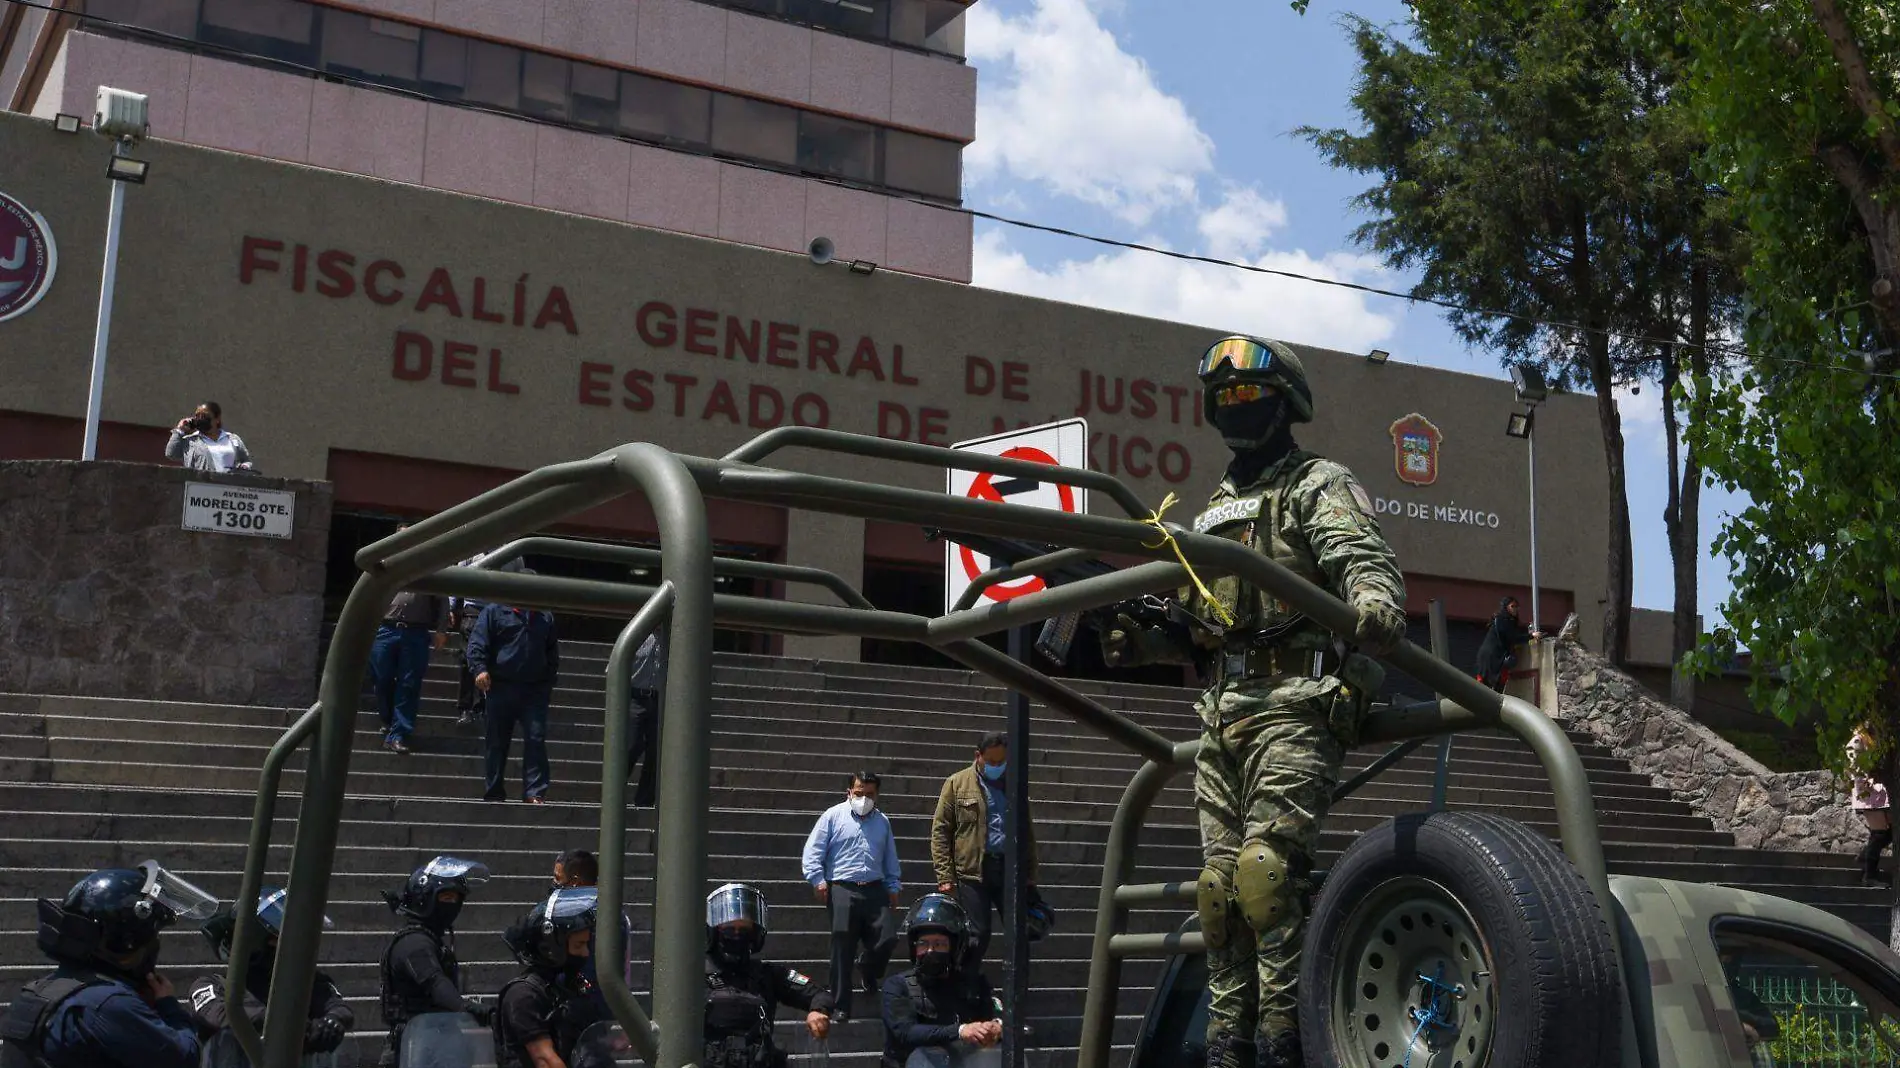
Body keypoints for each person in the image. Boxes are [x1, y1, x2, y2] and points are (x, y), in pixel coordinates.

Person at [1101, 335, 1407, 1068]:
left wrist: (1373, 602)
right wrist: (1136, 641)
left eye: (1251, 397)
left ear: (1286, 404)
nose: (1237, 410)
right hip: (1223, 706)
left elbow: (1363, 561)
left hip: (1295, 699)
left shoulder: (1315, 483)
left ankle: (1284, 1044)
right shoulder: (1214, 510)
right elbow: (1202, 626)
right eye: (1225, 399)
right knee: (1220, 896)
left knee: (1266, 879)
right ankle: (1226, 1046)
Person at [0, 861, 216, 1068]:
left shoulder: (41, 990)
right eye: (152, 938)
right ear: (128, 941)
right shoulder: (108, 1004)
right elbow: (185, 1058)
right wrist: (168, 1005)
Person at [187, 886, 353, 1057]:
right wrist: (300, 1029)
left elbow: (337, 1006)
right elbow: (225, 1015)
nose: (287, 949)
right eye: (275, 940)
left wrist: (331, 1023)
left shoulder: (302, 982)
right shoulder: (211, 985)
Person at [930, 732, 1038, 966]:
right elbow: (941, 831)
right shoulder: (957, 783)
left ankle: (1018, 991)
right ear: (978, 756)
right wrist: (945, 876)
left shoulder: (1015, 785)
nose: (997, 767)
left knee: (1020, 933)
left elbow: (1026, 831)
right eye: (991, 762)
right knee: (977, 935)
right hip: (972, 871)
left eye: (1002, 762)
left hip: (1010, 869)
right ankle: (966, 985)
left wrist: (1030, 873)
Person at [803, 771, 903, 1023]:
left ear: (877, 795)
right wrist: (818, 879)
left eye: (869, 794)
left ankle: (868, 968)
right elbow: (813, 850)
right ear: (849, 792)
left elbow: (890, 856)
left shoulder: (882, 822)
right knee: (842, 946)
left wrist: (893, 885)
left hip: (874, 887)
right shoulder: (833, 816)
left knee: (888, 938)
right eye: (859, 793)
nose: (864, 798)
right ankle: (840, 1004)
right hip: (842, 888)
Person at [377, 856, 493, 1067]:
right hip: (413, 1047)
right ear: (424, 897)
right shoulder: (413, 943)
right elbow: (435, 982)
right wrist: (467, 1007)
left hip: (437, 1041)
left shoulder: (431, 939)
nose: (454, 904)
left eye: (457, 898)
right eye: (447, 897)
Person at [702, 883, 833, 1068]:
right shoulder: (693, 975)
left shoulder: (767, 974)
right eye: (730, 929)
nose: (737, 936)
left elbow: (820, 995)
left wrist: (818, 1011)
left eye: (745, 930)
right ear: (714, 932)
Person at [879, 894, 1003, 1068]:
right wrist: (960, 1031)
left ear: (954, 947)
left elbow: (993, 1013)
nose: (930, 951)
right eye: (923, 943)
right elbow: (905, 1032)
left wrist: (996, 1026)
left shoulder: (973, 983)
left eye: (939, 944)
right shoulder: (898, 986)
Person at [467, 589, 561, 804]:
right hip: (501, 687)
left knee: (536, 739)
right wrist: (479, 669)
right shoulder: (494, 611)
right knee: (496, 742)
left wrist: (547, 681)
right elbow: (477, 643)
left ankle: (534, 792)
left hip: (534, 691)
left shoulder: (545, 616)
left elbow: (552, 652)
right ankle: (494, 791)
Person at [494, 887, 604, 1068]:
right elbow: (546, 1060)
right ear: (551, 949)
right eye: (578, 945)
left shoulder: (567, 988)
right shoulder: (522, 995)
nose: (585, 953)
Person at [372, 530, 452, 755]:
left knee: (409, 683)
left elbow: (442, 598)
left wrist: (441, 629)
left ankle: (398, 733)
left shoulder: (428, 564)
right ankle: (388, 720)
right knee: (382, 678)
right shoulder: (384, 563)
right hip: (385, 629)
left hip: (416, 632)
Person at [548, 850, 634, 1020]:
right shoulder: (601, 912)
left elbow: (589, 974)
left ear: (575, 882)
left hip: (590, 1014)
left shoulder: (600, 917)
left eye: (558, 878)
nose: (553, 884)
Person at [626, 630, 667, 808]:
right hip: (635, 697)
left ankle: (644, 801)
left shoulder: (672, 639)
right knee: (630, 746)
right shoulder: (637, 634)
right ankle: (615, 794)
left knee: (655, 752)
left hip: (659, 699)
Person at [1849, 724, 1892, 885]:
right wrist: (1864, 777)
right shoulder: (1858, 740)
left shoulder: (1877, 740)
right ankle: (1869, 876)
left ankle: (1864, 858)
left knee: (1890, 832)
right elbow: (1852, 764)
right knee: (1880, 833)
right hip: (1867, 790)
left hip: (1879, 791)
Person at [165, 402, 254, 473]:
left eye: (204, 416)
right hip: (202, 490)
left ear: (217, 419)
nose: (199, 419)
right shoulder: (191, 441)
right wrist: (180, 430)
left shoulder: (233, 439)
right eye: (197, 416)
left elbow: (246, 461)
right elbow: (171, 454)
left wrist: (245, 467)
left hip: (229, 490)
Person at [1474, 595, 1539, 693]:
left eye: (1517, 607)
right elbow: (1512, 637)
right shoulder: (1503, 620)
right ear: (1506, 607)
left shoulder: (1509, 621)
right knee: (1488, 687)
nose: (1515, 609)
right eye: (1512, 606)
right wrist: (1531, 636)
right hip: (1492, 657)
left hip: (1495, 657)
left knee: (1494, 685)